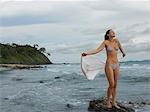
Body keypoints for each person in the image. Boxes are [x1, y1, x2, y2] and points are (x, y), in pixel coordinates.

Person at [82, 29, 126, 109]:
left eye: (114, 32)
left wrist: (123, 52)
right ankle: (108, 102)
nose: (114, 33)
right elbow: (97, 50)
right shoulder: (106, 42)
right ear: (108, 34)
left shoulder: (117, 41)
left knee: (115, 85)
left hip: (117, 65)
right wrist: (87, 53)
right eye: (112, 32)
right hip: (109, 65)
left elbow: (121, 47)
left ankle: (114, 102)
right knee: (111, 84)